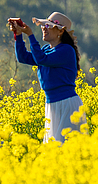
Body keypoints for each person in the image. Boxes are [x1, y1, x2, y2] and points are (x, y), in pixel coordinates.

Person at [8, 12, 83, 144]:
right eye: (44, 25)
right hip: (52, 104)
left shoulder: (66, 50)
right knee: (53, 149)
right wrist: (18, 35)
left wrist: (30, 35)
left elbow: (41, 59)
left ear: (60, 32)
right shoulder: (46, 50)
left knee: (65, 147)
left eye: (48, 26)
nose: (43, 27)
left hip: (66, 103)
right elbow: (23, 57)